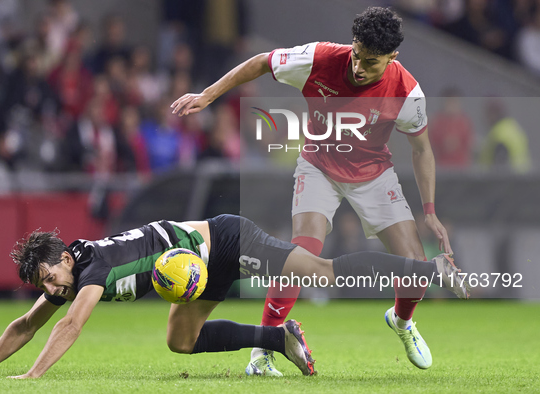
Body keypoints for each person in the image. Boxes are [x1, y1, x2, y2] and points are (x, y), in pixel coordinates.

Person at [171, 6, 453, 374]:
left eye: (371, 62)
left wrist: (429, 211)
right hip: (318, 165)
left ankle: (402, 322)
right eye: (356, 54)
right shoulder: (319, 57)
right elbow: (260, 62)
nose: (358, 67)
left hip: (373, 174)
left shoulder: (407, 92)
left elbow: (421, 150)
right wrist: (209, 94)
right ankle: (262, 352)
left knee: (416, 268)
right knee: (301, 256)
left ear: (392, 58)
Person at [0, 214, 468, 379]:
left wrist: (31, 377)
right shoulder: (71, 270)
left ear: (65, 260)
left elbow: (70, 326)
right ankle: (279, 337)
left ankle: (423, 269)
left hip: (225, 240)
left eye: (51, 279)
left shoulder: (91, 268)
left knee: (319, 271)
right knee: (182, 341)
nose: (52, 291)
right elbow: (26, 325)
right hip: (195, 266)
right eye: (45, 286)